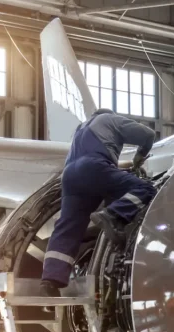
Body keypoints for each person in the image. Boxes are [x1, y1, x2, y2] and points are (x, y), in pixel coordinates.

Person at [40, 108, 156, 296]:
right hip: (93, 167)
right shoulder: (110, 119)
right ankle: (113, 215)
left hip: (69, 176)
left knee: (68, 226)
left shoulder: (81, 129)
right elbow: (147, 134)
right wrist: (138, 158)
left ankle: (51, 279)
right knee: (145, 189)